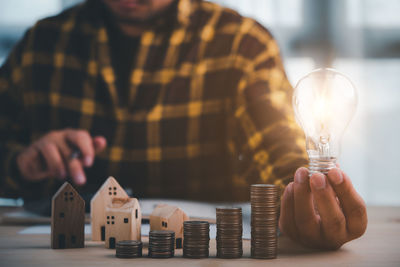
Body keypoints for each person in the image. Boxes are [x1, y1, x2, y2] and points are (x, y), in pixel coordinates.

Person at [0, 0, 366, 249]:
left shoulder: (240, 44)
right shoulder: (41, 43)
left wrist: (304, 199)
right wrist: (20, 161)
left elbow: (278, 144)